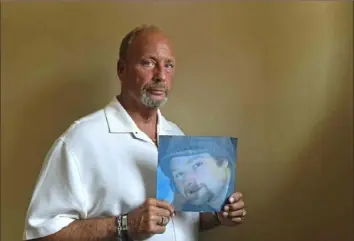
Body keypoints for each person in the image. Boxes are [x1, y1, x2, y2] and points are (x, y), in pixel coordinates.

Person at [22, 24, 247, 241]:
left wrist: (219, 215)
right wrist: (125, 225)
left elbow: (185, 221)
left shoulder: (177, 136)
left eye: (168, 65)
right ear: (122, 69)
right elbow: (40, 234)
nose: (160, 75)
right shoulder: (80, 141)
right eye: (148, 63)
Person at [157, 136, 237, 212]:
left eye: (197, 165)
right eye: (179, 174)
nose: (188, 181)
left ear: (223, 161)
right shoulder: (187, 208)